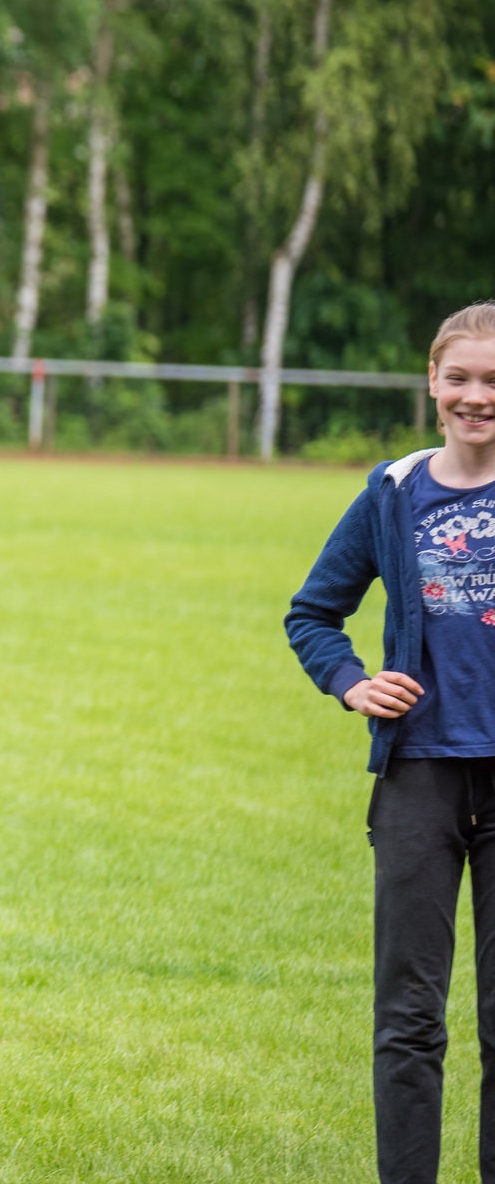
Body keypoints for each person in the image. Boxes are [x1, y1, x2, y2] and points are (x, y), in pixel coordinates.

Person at [287, 300, 495, 1184]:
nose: (476, 397)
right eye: (460, 378)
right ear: (432, 384)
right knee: (409, 1017)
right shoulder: (392, 491)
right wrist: (351, 683)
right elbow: (313, 612)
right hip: (418, 780)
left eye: (493, 381)